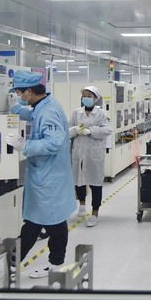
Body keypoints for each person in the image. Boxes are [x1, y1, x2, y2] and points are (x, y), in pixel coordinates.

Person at [5, 70, 75, 279]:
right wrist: (17, 109)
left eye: (19, 93)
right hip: (49, 174)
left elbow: (54, 142)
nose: (18, 95)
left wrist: (25, 145)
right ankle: (55, 263)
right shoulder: (45, 104)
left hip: (48, 177)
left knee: (39, 223)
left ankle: (12, 265)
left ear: (28, 91)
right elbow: (34, 114)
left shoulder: (48, 111)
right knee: (54, 222)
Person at [68, 85, 112, 227]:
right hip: (78, 151)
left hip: (94, 153)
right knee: (79, 180)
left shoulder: (101, 114)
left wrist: (90, 131)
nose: (86, 98)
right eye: (84, 96)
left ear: (95, 98)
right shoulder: (76, 113)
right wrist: (75, 130)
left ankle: (95, 212)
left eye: (89, 96)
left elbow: (107, 129)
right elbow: (67, 130)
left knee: (95, 183)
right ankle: (81, 204)